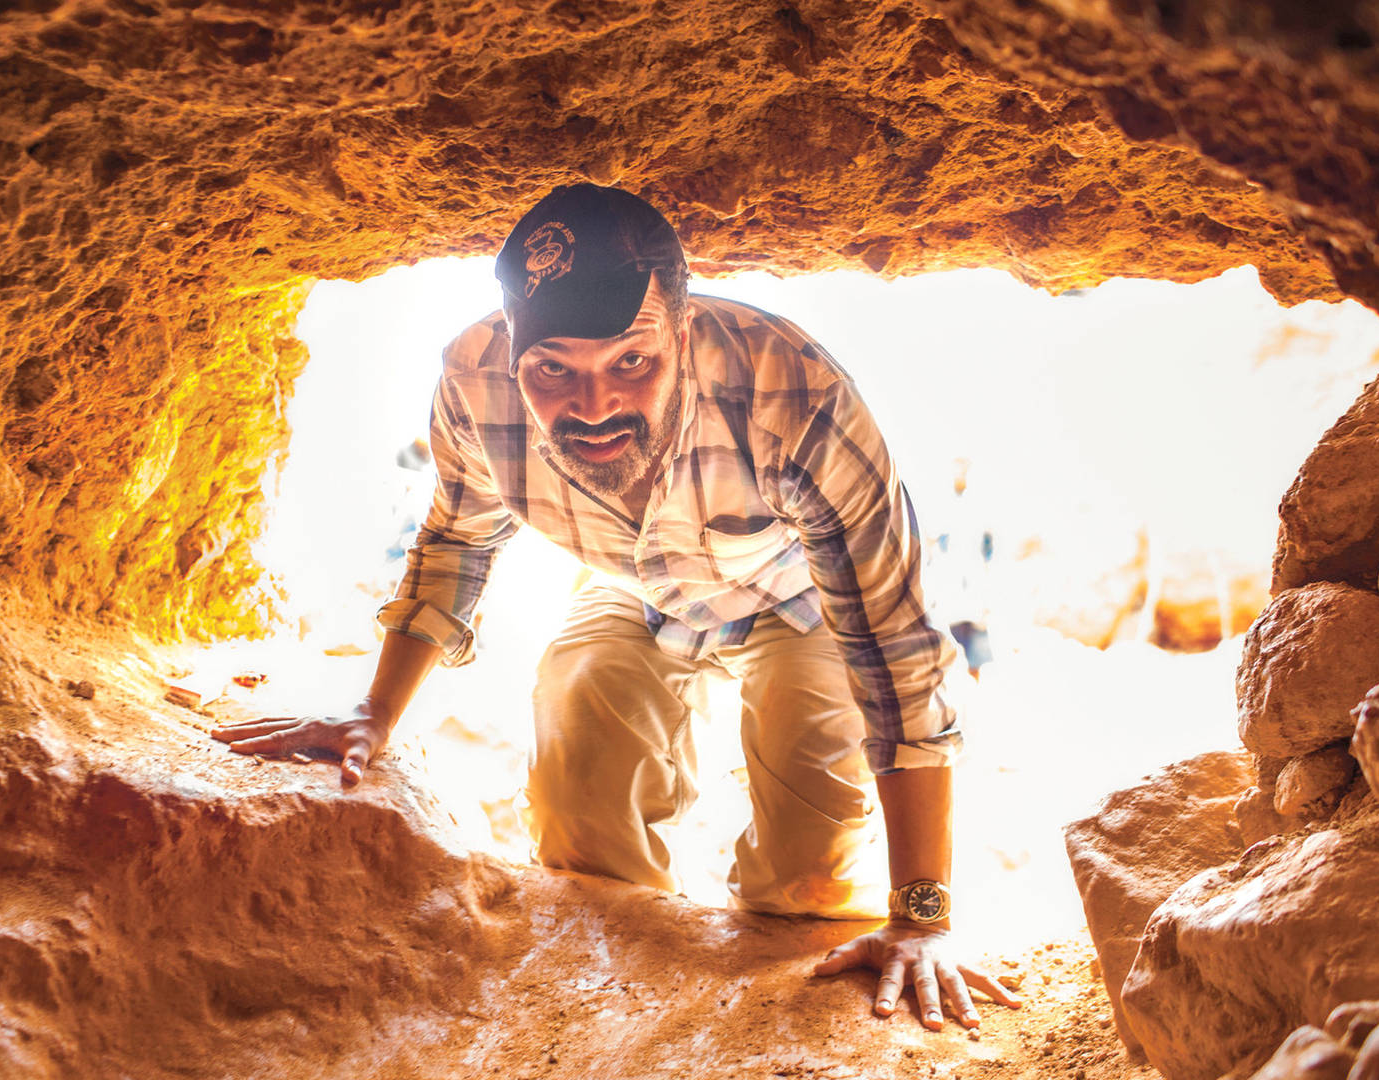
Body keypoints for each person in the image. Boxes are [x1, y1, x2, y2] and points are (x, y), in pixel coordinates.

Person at [212, 185, 1021, 1031]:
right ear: (514, 348)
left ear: (683, 332)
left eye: (631, 362)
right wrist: (372, 713)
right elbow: (457, 542)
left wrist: (924, 916)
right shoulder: (473, 382)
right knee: (580, 813)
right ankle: (617, 1011)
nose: (592, 406)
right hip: (635, 585)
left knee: (809, 879)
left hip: (798, 593)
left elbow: (894, 652)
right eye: (554, 369)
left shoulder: (795, 395)